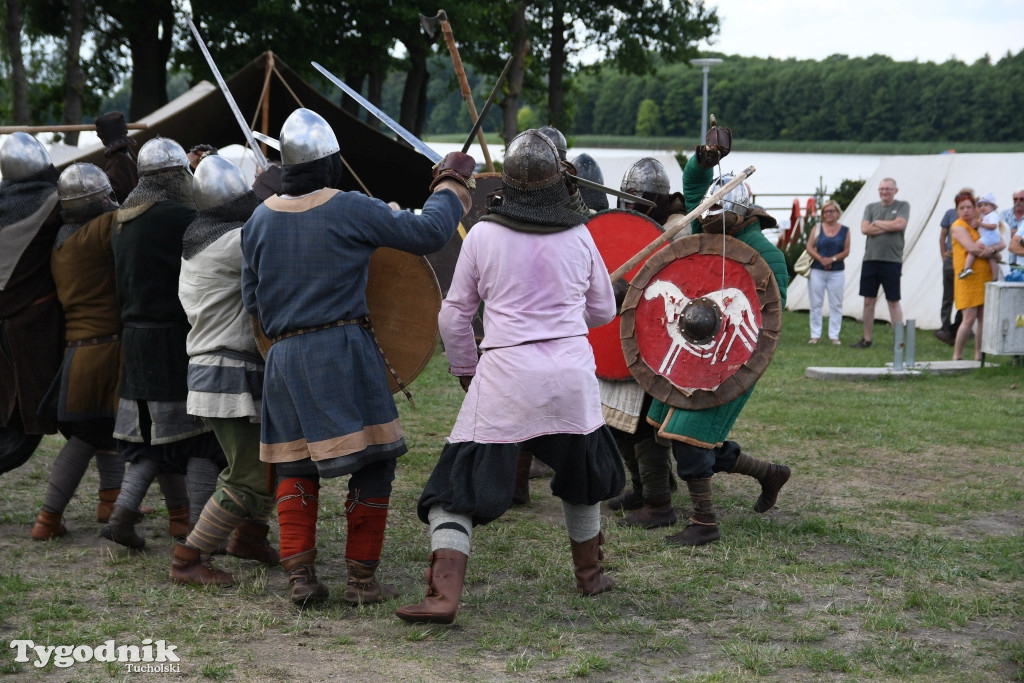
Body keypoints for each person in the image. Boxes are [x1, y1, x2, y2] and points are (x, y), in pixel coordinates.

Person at [240, 107, 474, 607]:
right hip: (341, 352)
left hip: (282, 359)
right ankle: (362, 583)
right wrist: (451, 185)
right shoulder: (348, 207)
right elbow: (428, 232)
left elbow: (253, 303)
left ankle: (302, 578)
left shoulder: (257, 220)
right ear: (329, 164)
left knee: (294, 467)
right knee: (375, 461)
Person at [395, 130, 624, 625]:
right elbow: (603, 309)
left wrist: (465, 369)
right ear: (557, 177)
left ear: (510, 182)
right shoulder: (580, 234)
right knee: (582, 477)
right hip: (570, 376)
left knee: (455, 488)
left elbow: (454, 316)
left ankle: (443, 596)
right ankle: (590, 577)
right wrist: (558, 321)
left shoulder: (482, 234)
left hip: (506, 373)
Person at [646, 123, 792, 547]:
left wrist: (730, 360)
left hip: (729, 355)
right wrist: (704, 160)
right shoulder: (708, 229)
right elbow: (693, 185)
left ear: (741, 215)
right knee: (676, 428)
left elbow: (767, 323)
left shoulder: (764, 255)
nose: (708, 221)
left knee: (689, 434)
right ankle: (770, 473)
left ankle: (704, 522)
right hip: (689, 345)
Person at [102, 136, 226, 550]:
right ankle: (198, 535)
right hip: (174, 342)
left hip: (135, 343)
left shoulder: (122, 218)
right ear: (176, 176)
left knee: (150, 444)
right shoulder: (179, 217)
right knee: (201, 441)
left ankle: (122, 515)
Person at [170, 154, 278, 585]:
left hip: (223, 367)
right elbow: (276, 236)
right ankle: (188, 557)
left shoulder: (198, 237)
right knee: (248, 473)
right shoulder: (235, 241)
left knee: (270, 460)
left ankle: (250, 538)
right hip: (226, 370)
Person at [31, 164, 125, 539]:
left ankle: (110, 499)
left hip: (80, 351)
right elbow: (136, 208)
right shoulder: (101, 231)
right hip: (102, 353)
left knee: (106, 429)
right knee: (89, 434)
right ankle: (47, 519)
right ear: (99, 201)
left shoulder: (60, 239)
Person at [602, 157, 686, 530]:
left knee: (646, 425)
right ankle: (643, 488)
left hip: (659, 341)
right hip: (621, 338)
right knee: (617, 421)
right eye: (628, 200)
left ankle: (657, 501)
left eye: (638, 199)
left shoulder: (678, 232)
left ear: (657, 198)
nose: (631, 206)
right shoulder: (645, 228)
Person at [0, 132, 64, 476]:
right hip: (30, 332)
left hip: (11, 328)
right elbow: (105, 205)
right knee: (28, 423)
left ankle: (109, 495)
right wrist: (116, 150)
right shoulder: (52, 203)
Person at [851, 177, 909, 348]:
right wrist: (886, 226)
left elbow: (899, 225)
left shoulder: (902, 206)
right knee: (868, 300)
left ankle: (899, 340)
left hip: (891, 260)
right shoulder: (871, 207)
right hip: (870, 259)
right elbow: (864, 228)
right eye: (882, 189)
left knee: (893, 300)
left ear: (895, 191)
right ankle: (867, 338)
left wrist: (877, 223)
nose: (885, 192)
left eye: (888, 189)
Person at [950, 191, 1005, 361]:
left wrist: (993, 251)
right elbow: (972, 248)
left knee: (982, 317)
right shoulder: (958, 226)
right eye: (962, 208)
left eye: (969, 207)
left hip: (985, 275)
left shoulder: (982, 224)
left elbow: (1000, 246)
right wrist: (990, 251)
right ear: (957, 211)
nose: (966, 211)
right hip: (967, 276)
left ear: (975, 209)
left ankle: (978, 355)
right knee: (969, 316)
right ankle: (957, 355)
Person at [804, 200, 851, 345]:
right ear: (823, 214)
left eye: (832, 211)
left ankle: (834, 335)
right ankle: (815, 335)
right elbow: (810, 247)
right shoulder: (817, 228)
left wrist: (832, 259)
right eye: (826, 211)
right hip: (817, 270)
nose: (829, 214)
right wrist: (821, 259)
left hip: (837, 271)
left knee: (836, 304)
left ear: (837, 213)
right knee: (816, 303)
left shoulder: (845, 230)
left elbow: (846, 250)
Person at [935, 188, 972, 346]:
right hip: (950, 261)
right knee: (948, 296)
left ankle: (957, 328)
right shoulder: (950, 214)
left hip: (965, 261)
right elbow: (942, 236)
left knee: (963, 296)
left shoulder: (974, 217)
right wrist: (943, 254)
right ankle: (945, 326)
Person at [94, 111, 139, 204]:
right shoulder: (128, 159)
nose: (97, 136)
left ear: (103, 137)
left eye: (99, 134)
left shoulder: (117, 164)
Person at [959, 193, 1003, 281]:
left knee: (973, 250)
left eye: (986, 205)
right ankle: (995, 277)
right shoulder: (985, 216)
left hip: (988, 238)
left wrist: (980, 224)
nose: (983, 208)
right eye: (980, 205)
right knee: (991, 257)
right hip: (990, 238)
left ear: (993, 207)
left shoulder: (993, 215)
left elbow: (993, 226)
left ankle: (967, 268)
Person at [1001, 189, 1024, 267]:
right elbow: (1000, 233)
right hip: (1007, 261)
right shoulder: (1004, 214)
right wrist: (1020, 233)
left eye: (1021, 199)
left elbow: (1005, 232)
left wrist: (1010, 232)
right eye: (1015, 199)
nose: (1018, 201)